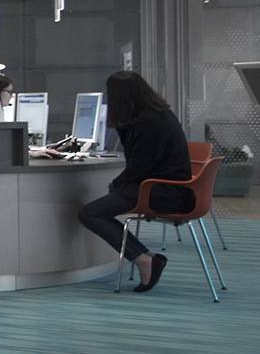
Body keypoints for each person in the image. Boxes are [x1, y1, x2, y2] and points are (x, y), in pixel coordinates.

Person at [75, 70, 191, 292]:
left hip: (162, 190)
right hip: (164, 186)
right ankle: (145, 257)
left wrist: (117, 183)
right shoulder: (155, 114)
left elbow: (139, 165)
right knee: (98, 209)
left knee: (90, 213)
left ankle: (143, 259)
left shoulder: (148, 122)